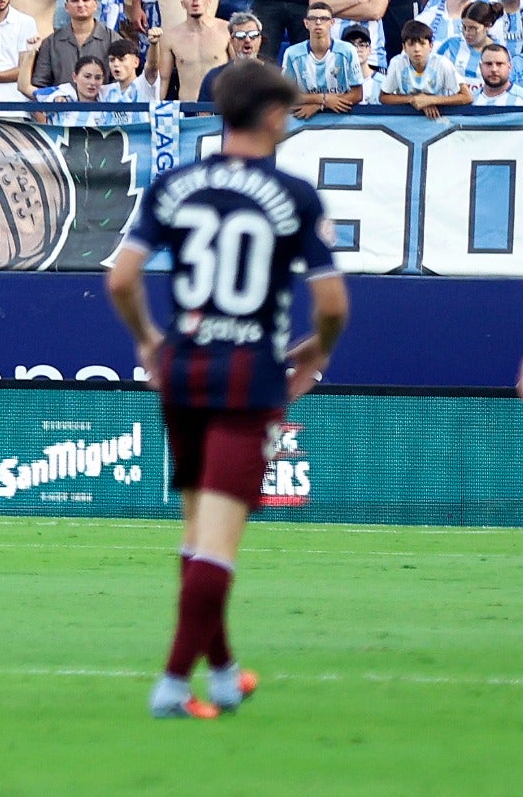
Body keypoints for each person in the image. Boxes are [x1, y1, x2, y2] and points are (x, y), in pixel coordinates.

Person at [105, 60, 348, 720]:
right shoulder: (294, 195)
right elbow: (332, 305)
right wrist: (315, 352)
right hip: (250, 377)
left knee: (195, 534)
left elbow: (121, 279)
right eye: (287, 112)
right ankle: (172, 686)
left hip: (183, 369)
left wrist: (149, 339)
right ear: (270, 115)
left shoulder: (175, 184)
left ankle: (223, 673)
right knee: (217, 544)